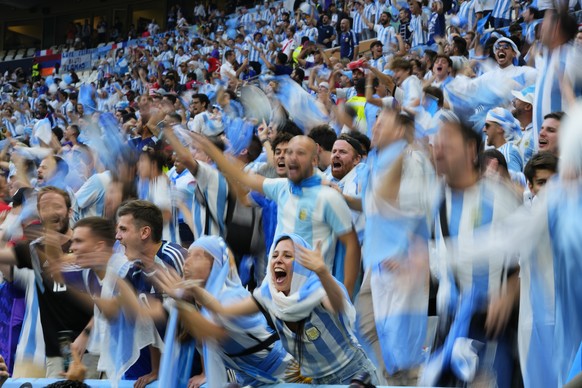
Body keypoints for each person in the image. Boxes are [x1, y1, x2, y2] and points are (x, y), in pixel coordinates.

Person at [188, 133, 361, 297]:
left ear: (314, 160)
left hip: (313, 295)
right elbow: (243, 177)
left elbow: (352, 244)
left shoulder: (328, 195)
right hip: (276, 290)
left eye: (300, 153)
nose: (291, 157)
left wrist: (345, 293)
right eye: (289, 152)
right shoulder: (282, 187)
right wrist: (212, 150)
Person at [190, 233, 378, 384]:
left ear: (302, 266)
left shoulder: (317, 289)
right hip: (317, 382)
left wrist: (322, 272)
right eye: (275, 255)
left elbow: (338, 307)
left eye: (288, 256)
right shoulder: (269, 296)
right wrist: (191, 291)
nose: (278, 260)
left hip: (353, 376)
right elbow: (222, 310)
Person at [154, 235, 298, 386]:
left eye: (197, 256)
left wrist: (181, 303)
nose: (187, 262)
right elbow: (151, 314)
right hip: (248, 378)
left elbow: (213, 332)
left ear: (215, 263)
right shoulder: (193, 300)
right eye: (188, 256)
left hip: (285, 373)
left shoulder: (230, 296)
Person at [0, 186, 93, 378]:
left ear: (69, 211)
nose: (50, 211)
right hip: (57, 354)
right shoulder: (34, 250)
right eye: (44, 207)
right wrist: (7, 227)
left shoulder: (87, 245)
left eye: (56, 206)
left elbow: (107, 300)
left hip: (92, 350)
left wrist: (86, 335)